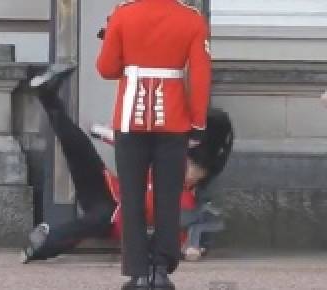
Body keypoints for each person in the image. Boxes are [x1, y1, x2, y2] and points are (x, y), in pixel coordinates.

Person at [20, 74, 232, 267]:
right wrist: (99, 131)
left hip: (116, 220)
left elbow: (179, 237)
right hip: (106, 190)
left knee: (97, 219)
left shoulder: (186, 201)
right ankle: (48, 96)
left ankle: (41, 244)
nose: (185, 168)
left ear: (203, 174)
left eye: (192, 167)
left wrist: (192, 249)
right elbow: (132, 147)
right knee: (79, 150)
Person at [96, 0, 211, 289]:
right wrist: (197, 122)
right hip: (173, 121)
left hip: (129, 121)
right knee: (168, 199)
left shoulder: (123, 14)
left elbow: (106, 68)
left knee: (132, 198)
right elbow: (199, 74)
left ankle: (137, 272)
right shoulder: (191, 19)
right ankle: (161, 270)